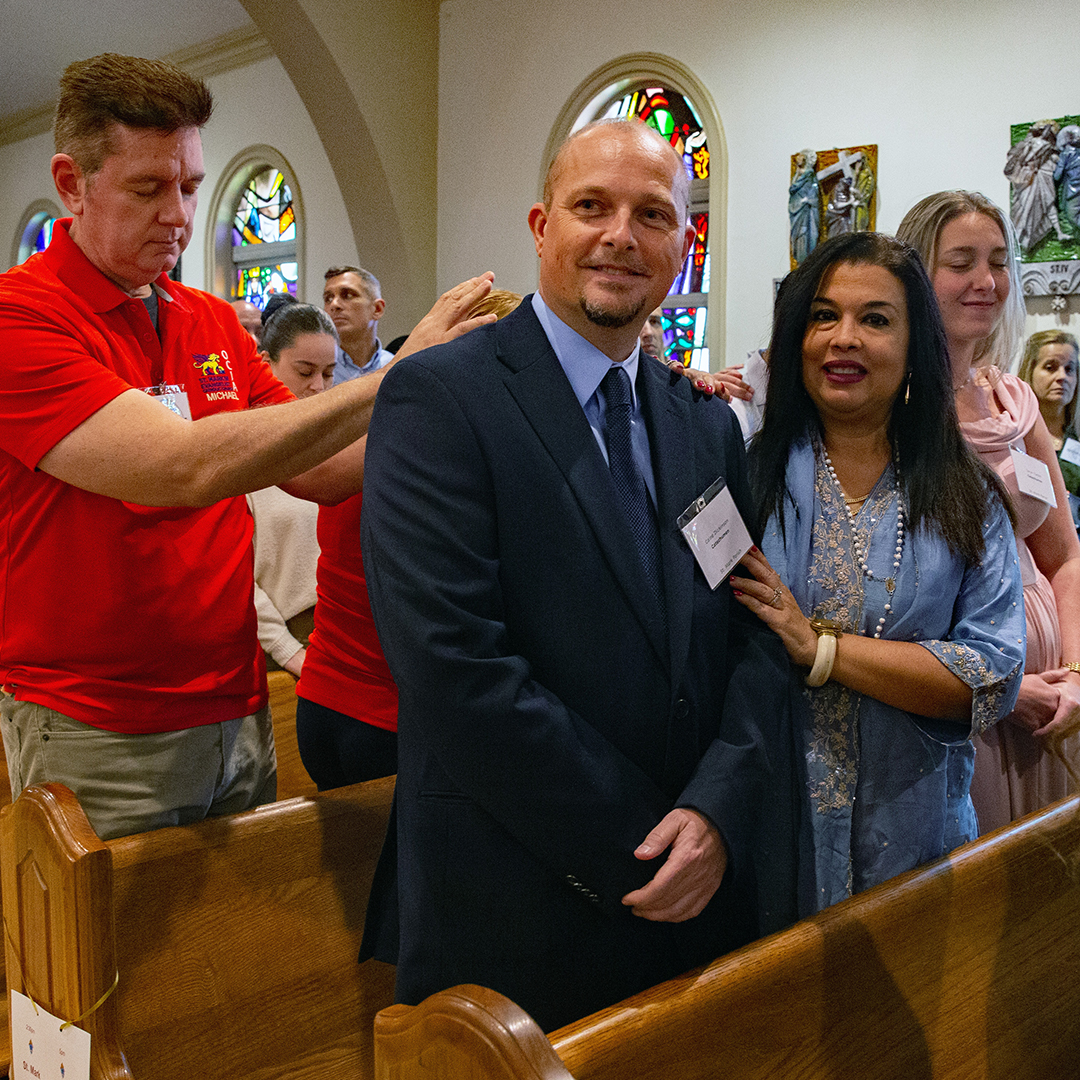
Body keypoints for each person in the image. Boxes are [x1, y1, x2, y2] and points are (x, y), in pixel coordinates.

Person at [359, 119, 788, 1031]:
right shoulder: (440, 397)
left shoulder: (700, 422)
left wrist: (716, 810)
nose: (620, 236)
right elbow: (455, 669)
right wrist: (649, 845)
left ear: (682, 243)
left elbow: (753, 630)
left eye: (653, 214)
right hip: (517, 894)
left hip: (693, 884)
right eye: (591, 206)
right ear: (541, 224)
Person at [0, 53, 494, 841]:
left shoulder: (203, 320)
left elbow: (326, 470)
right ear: (72, 183)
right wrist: (402, 376)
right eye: (148, 188)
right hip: (99, 723)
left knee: (238, 960)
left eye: (190, 186)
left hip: (233, 704)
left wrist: (464, 394)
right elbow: (181, 467)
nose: (179, 215)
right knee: (113, 965)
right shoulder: (20, 319)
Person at [730, 231, 1024, 916]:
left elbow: (995, 675)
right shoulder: (744, 477)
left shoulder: (965, 496)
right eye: (824, 316)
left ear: (914, 343)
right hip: (766, 854)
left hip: (919, 855)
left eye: (875, 320)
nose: (844, 339)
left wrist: (825, 651)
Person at [897, 190, 1080, 831]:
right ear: (917, 273)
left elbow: (1063, 558)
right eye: (962, 262)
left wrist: (1075, 673)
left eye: (999, 261)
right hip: (962, 703)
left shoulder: (1012, 402)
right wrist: (998, 692)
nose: (986, 281)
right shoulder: (890, 412)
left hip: (1052, 691)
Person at [248, 303, 340, 677]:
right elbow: (234, 574)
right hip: (279, 644)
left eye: (329, 373)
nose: (317, 386)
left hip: (337, 631)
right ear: (264, 362)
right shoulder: (244, 450)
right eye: (305, 371)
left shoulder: (338, 443)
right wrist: (286, 650)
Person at [1018, 329, 1080, 532]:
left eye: (1069, 369)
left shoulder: (1076, 442)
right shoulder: (1011, 438)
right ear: (1030, 370)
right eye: (1050, 367)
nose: (1062, 377)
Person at [323, 265, 394, 385]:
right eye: (328, 298)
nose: (334, 305)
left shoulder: (394, 367)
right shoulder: (317, 370)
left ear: (377, 309)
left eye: (348, 295)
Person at [1004, 121, 1069, 253]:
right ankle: (1022, 238)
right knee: (1027, 208)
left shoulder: (1036, 145)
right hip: (1028, 179)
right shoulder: (1038, 144)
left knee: (1046, 203)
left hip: (1034, 178)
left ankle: (1057, 232)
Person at [788, 149, 819, 266]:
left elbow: (813, 193)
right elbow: (792, 190)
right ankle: (800, 261)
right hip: (796, 209)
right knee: (796, 234)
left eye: (800, 161)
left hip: (806, 211)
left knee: (805, 232)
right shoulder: (798, 174)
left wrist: (807, 200)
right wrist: (797, 173)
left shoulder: (809, 175)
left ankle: (806, 261)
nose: (798, 164)